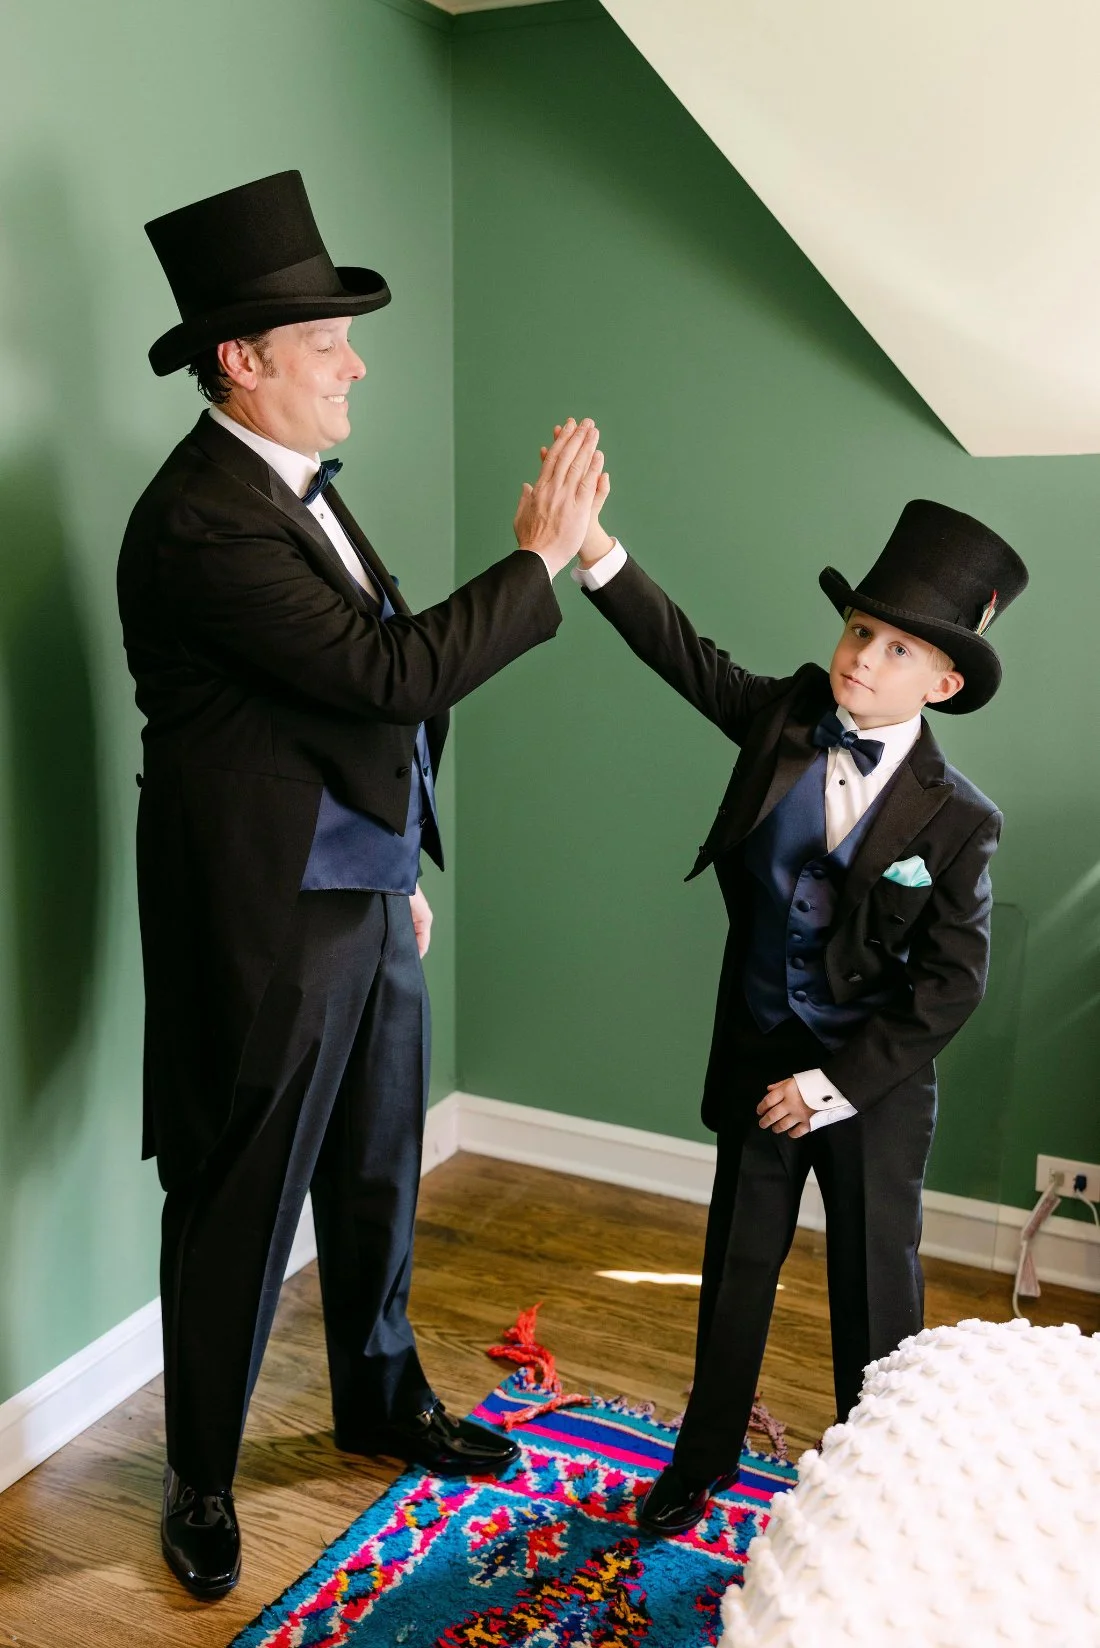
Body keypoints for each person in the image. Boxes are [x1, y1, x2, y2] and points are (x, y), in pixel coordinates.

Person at [118, 170, 607, 1599]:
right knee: (241, 1196)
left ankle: (379, 1398)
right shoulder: (205, 519)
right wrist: (539, 560)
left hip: (363, 890)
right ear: (243, 362)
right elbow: (389, 672)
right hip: (263, 917)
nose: (357, 362)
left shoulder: (292, 492)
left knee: (381, 1163)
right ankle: (200, 1472)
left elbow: (357, 716)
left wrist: (400, 868)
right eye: (328, 342)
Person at [569, 485, 1027, 1535]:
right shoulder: (780, 715)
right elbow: (679, 652)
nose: (861, 656)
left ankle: (874, 1486)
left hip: (868, 1084)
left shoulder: (959, 821)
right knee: (735, 1269)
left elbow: (949, 985)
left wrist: (828, 1087)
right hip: (757, 1051)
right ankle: (700, 1461)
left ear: (943, 682)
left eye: (897, 650)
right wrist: (593, 548)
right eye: (858, 629)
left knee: (874, 1292)